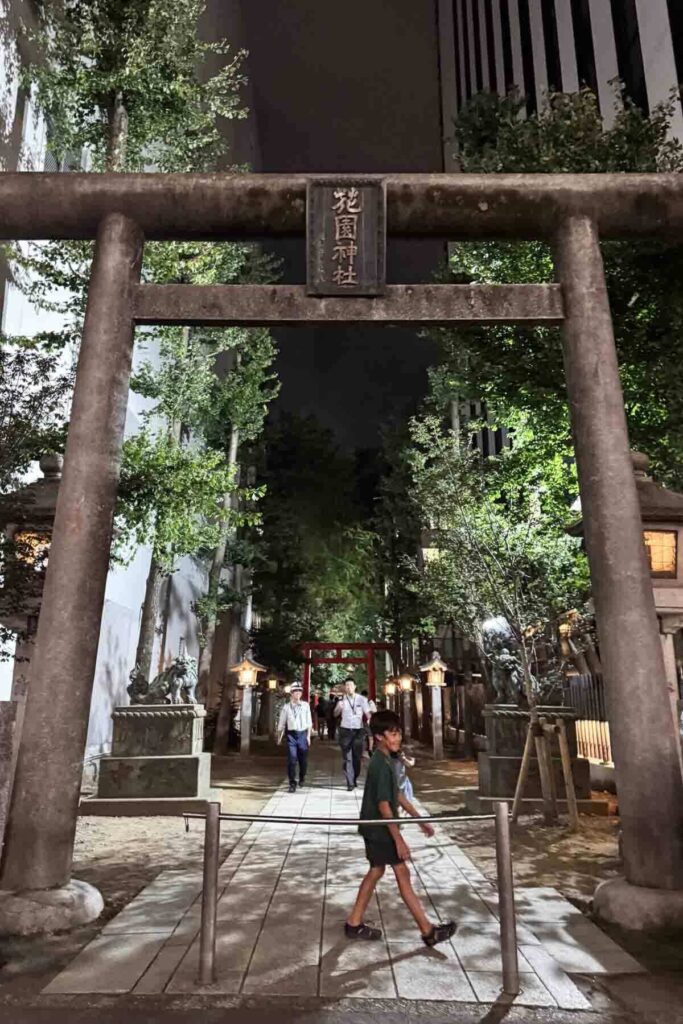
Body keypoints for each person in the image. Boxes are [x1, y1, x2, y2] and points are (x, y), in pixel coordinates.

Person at [345, 709, 457, 947]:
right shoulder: (381, 764)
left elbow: (395, 794)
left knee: (376, 871)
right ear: (379, 737)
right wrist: (399, 840)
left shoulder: (384, 759)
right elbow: (385, 805)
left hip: (374, 827)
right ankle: (428, 931)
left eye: (398, 734)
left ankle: (354, 923)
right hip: (380, 829)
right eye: (392, 735)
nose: (397, 739)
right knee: (401, 874)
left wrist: (420, 819)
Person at [334, 677, 369, 790]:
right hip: (345, 730)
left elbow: (368, 714)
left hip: (358, 731)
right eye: (347, 685)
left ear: (355, 687)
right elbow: (335, 714)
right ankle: (350, 782)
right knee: (347, 757)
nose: (348, 687)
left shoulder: (362, 699)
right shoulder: (342, 701)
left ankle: (354, 777)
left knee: (356, 757)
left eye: (350, 685)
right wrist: (339, 708)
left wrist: (370, 723)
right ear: (345, 687)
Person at [277, 682, 312, 793]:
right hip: (291, 735)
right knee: (292, 759)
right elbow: (281, 724)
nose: (297, 693)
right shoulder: (286, 707)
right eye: (295, 691)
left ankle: (302, 777)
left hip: (302, 734)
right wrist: (279, 737)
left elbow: (309, 722)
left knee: (303, 760)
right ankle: (292, 782)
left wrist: (308, 736)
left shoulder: (305, 706)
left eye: (299, 691)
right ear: (291, 693)